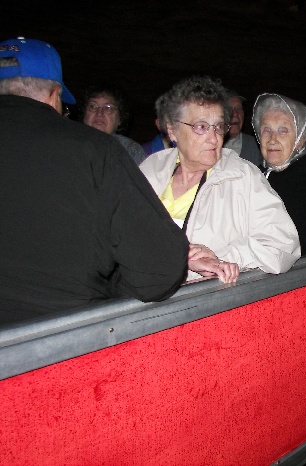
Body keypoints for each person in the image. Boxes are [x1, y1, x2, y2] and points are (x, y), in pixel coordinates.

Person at [0, 37, 188, 325]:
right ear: (54, 96)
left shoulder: (121, 152)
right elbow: (159, 270)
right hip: (58, 334)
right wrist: (109, 287)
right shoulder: (95, 152)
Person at [140, 76, 300, 281]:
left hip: (202, 298)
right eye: (201, 127)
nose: (214, 138)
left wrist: (222, 258)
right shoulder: (152, 169)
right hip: (137, 293)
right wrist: (180, 257)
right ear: (172, 130)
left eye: (218, 126)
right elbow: (119, 237)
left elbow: (283, 245)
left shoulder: (242, 176)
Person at [252, 93, 306, 255]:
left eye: (283, 131)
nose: (272, 139)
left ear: (300, 140)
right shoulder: (252, 176)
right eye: (266, 130)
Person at [81, 82, 148, 165]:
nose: (99, 113)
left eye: (108, 108)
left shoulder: (131, 151)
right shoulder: (70, 144)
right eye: (93, 106)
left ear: (120, 118)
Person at [223, 89, 262, 166]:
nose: (235, 114)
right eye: (229, 109)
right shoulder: (210, 145)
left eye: (239, 109)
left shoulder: (257, 146)